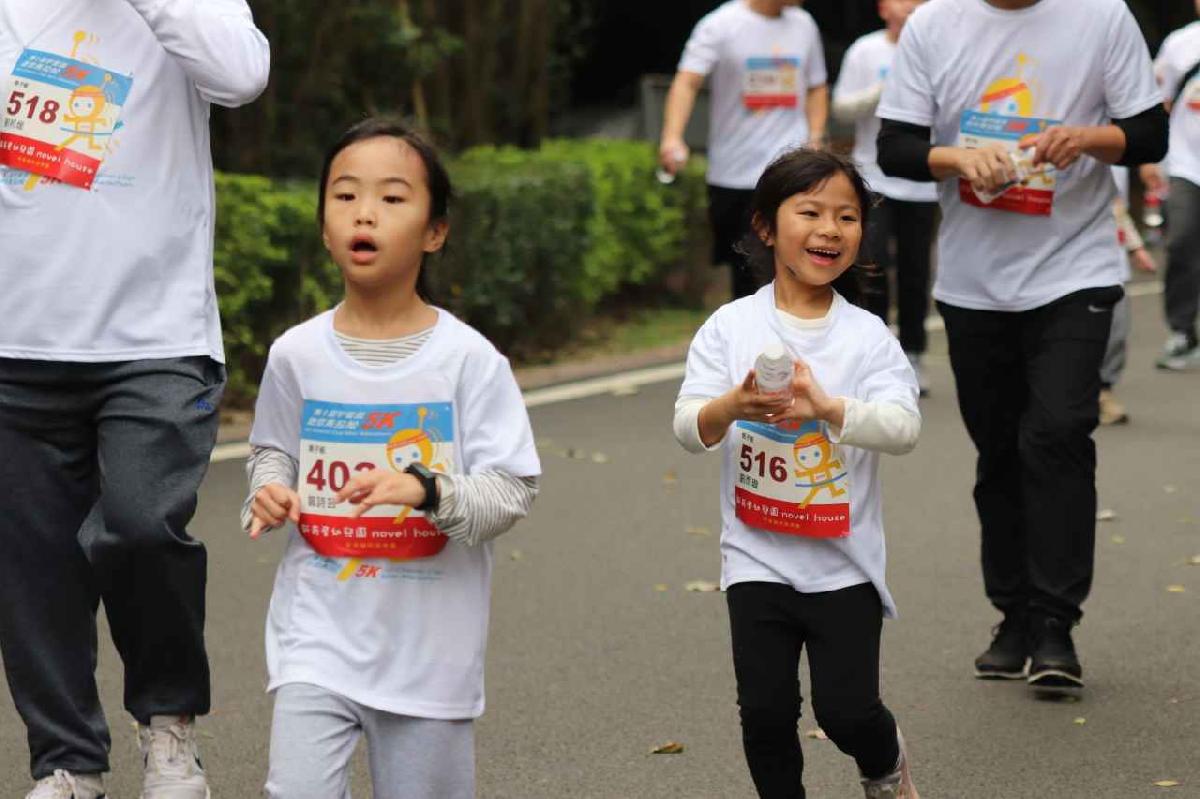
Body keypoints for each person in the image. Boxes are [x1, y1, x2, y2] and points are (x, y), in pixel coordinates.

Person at [0, 3, 269, 797]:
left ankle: (169, 726)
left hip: (157, 335)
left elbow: (242, 74)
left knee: (143, 527)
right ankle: (67, 760)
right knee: (33, 565)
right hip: (18, 335)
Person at [876, 0, 1167, 693]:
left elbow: (1149, 133)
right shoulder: (933, 25)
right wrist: (959, 158)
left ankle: (1056, 624)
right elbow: (894, 147)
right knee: (1000, 450)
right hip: (974, 283)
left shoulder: (1102, 17)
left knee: (1058, 432)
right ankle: (1014, 615)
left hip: (1075, 269)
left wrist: (1087, 139)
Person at [244, 118, 541, 799]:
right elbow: (272, 450)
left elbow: (511, 491)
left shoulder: (467, 361)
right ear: (324, 226)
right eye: (345, 195)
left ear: (435, 231)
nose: (364, 212)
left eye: (392, 197)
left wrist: (427, 491)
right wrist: (271, 489)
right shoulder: (296, 354)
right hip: (315, 634)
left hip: (427, 657)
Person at [674, 148, 921, 799]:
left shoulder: (867, 336)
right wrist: (733, 405)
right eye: (810, 212)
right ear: (765, 225)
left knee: (846, 712)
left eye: (847, 216)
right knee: (765, 714)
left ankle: (886, 761)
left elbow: (904, 427)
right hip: (755, 558)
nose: (830, 229)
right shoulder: (730, 327)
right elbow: (689, 427)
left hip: (844, 564)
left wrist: (830, 409)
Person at [659, 0, 828, 299]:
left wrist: (815, 135)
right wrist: (672, 136)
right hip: (735, 174)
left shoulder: (804, 25)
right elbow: (687, 82)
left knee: (792, 270)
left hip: (790, 173)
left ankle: (794, 328)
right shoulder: (719, 25)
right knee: (747, 274)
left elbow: (816, 86)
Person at [833, 0, 938, 395]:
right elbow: (841, 109)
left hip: (924, 180)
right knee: (872, 262)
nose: (910, 6)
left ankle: (913, 353)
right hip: (873, 178)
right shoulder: (865, 50)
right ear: (882, 8)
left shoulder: (940, 47)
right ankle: (875, 350)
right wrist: (883, 92)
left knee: (916, 270)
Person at [1140, 2, 1200, 371]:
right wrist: (1150, 158)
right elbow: (1155, 103)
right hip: (1185, 164)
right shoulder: (1180, 44)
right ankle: (1181, 331)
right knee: (1181, 241)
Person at [1100, 166, 1158, 425]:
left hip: (1110, 259)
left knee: (1116, 329)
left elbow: (1116, 205)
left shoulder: (1119, 157)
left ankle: (1103, 391)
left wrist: (1135, 246)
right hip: (1063, 262)